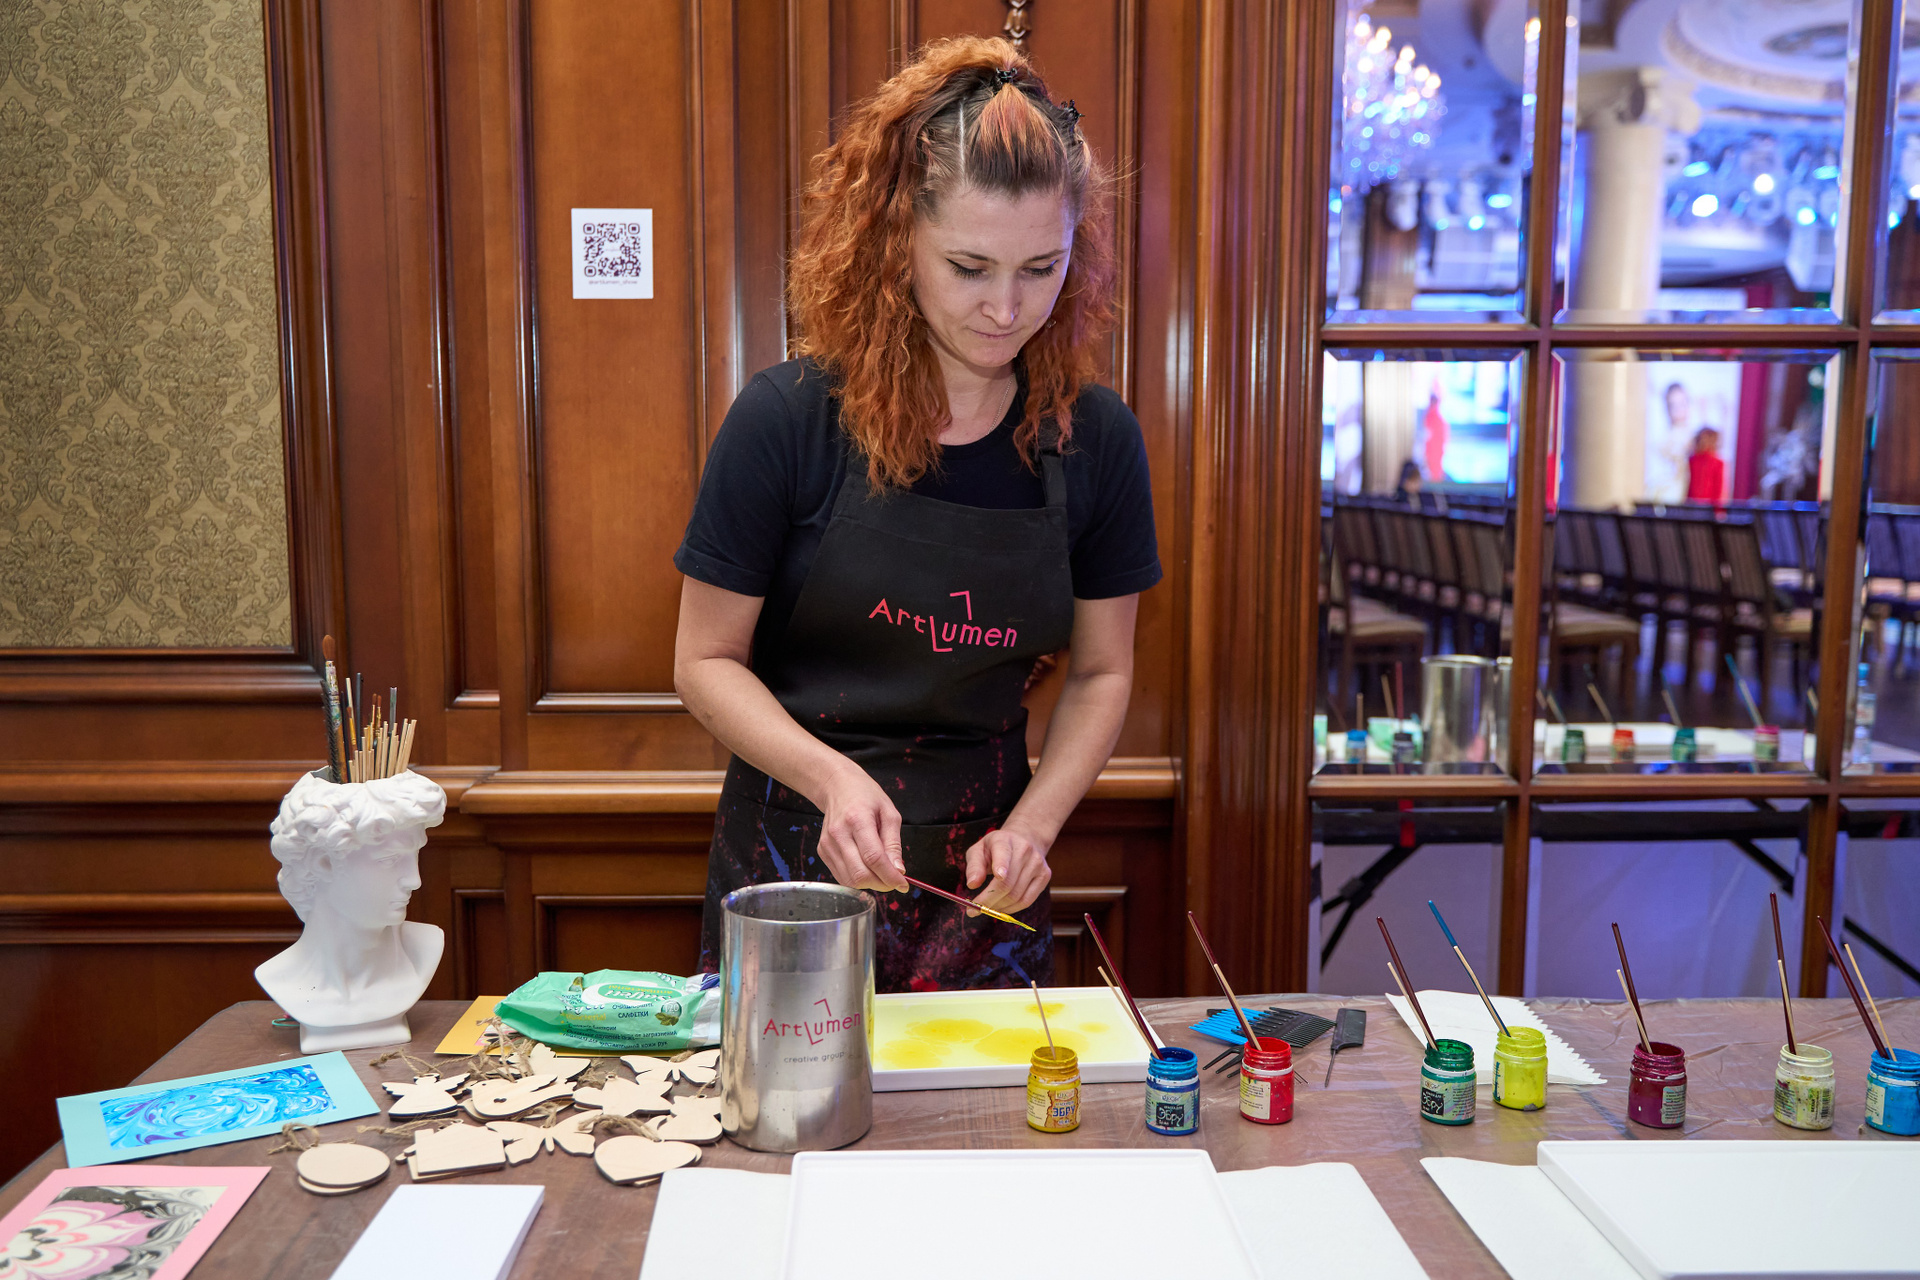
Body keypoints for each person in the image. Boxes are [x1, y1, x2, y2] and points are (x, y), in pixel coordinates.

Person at [673, 37, 1160, 992]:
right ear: (899, 241)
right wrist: (831, 779)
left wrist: (1035, 829)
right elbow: (704, 661)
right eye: (970, 267)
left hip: (987, 883)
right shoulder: (787, 420)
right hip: (793, 862)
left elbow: (1104, 671)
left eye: (1041, 268)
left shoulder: (1095, 439)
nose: (1006, 308)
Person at [257, 770, 447, 1050]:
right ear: (324, 863)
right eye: (389, 859)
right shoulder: (279, 977)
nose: (414, 880)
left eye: (416, 855)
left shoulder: (423, 948)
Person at [1685, 426, 1726, 504]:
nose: (1703, 441)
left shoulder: (1717, 462)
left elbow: (1718, 488)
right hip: (1691, 503)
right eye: (1702, 439)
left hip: (1708, 505)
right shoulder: (1692, 460)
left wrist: (1717, 508)